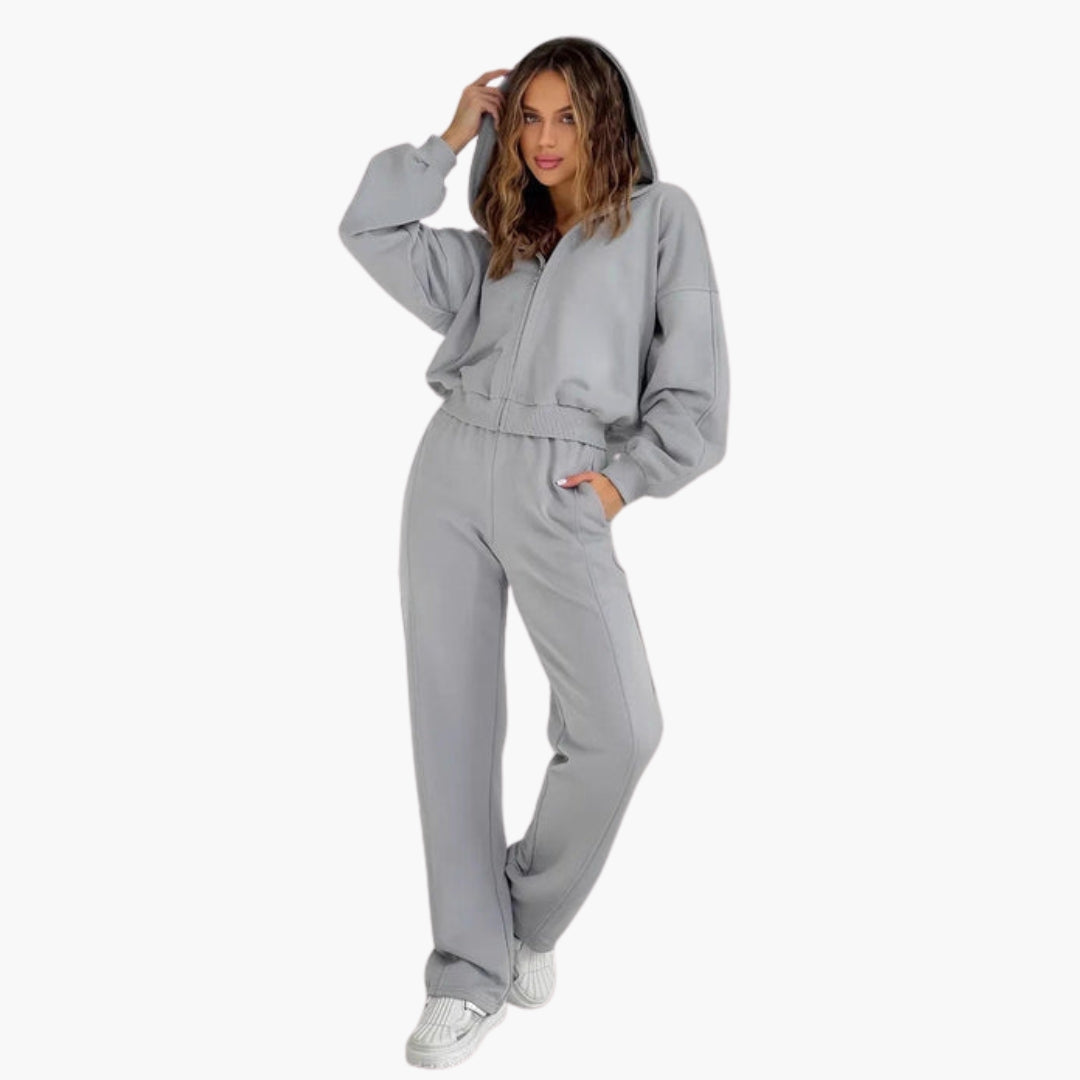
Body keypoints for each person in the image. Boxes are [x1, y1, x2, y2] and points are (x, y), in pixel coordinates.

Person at [338, 36, 730, 1069]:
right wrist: (447, 137)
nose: (546, 139)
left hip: (565, 483)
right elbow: (367, 227)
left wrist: (621, 480)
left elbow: (695, 395)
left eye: (567, 118)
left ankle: (525, 917)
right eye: (528, 119)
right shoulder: (497, 245)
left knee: (622, 728)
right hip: (452, 470)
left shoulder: (661, 222)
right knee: (452, 726)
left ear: (608, 124)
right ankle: (466, 975)